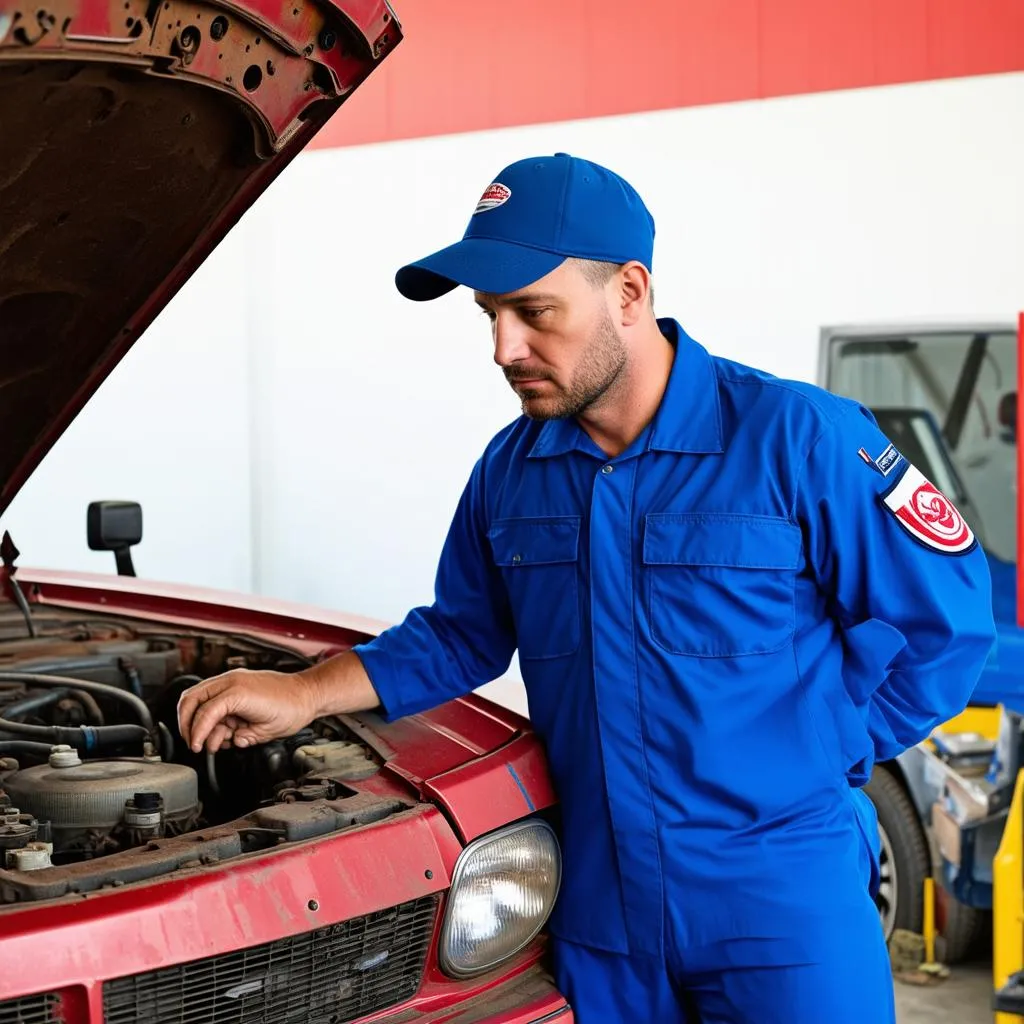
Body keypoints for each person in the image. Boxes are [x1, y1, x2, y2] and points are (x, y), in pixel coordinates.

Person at [178, 153, 997, 1022]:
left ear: (629, 293)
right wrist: (305, 692)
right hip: (602, 914)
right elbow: (460, 634)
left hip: (782, 907)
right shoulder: (512, 470)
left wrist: (830, 747)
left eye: (534, 312)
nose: (504, 348)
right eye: (490, 315)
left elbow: (947, 622)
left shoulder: (797, 439)